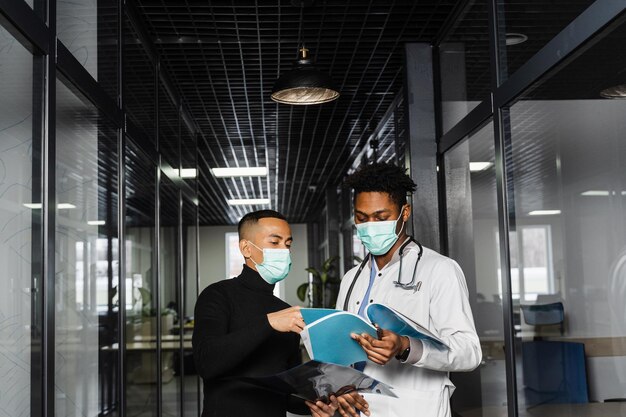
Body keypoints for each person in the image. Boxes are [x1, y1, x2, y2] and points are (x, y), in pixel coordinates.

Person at [336, 163, 482, 417]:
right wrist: (341, 386)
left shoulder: (439, 269)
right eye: (362, 218)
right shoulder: (351, 278)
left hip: (415, 408)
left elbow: (469, 352)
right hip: (361, 410)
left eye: (381, 218)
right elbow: (340, 348)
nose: (370, 226)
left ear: (405, 213)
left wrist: (406, 346)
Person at [193, 209, 366, 417]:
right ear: (246, 248)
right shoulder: (217, 295)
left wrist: (316, 405)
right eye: (275, 243)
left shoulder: (285, 312)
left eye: (288, 244)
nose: (284, 251)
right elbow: (207, 363)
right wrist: (268, 324)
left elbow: (286, 393)